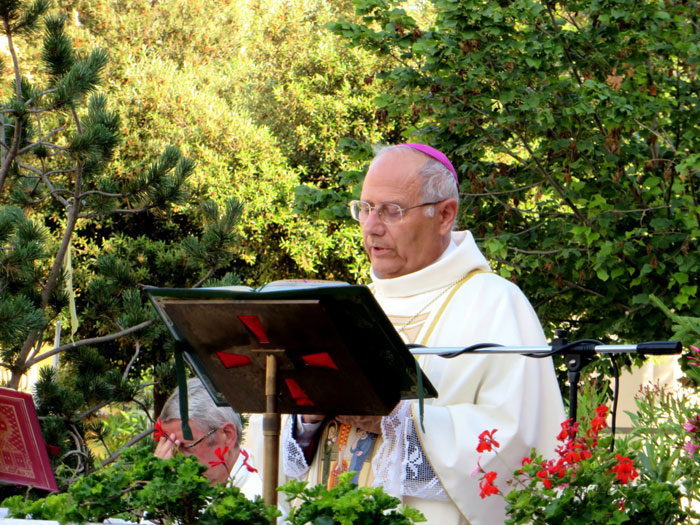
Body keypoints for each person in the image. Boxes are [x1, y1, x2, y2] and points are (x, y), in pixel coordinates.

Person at [279, 143, 566, 524]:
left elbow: (518, 444)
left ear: (445, 215)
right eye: (364, 208)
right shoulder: (350, 307)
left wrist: (397, 420)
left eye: (391, 211)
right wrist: (307, 416)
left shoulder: (495, 304)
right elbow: (284, 469)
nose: (371, 226)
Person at [155, 377, 263, 500]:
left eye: (185, 446)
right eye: (169, 445)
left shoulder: (256, 503)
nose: (172, 459)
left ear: (227, 435)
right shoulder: (183, 489)